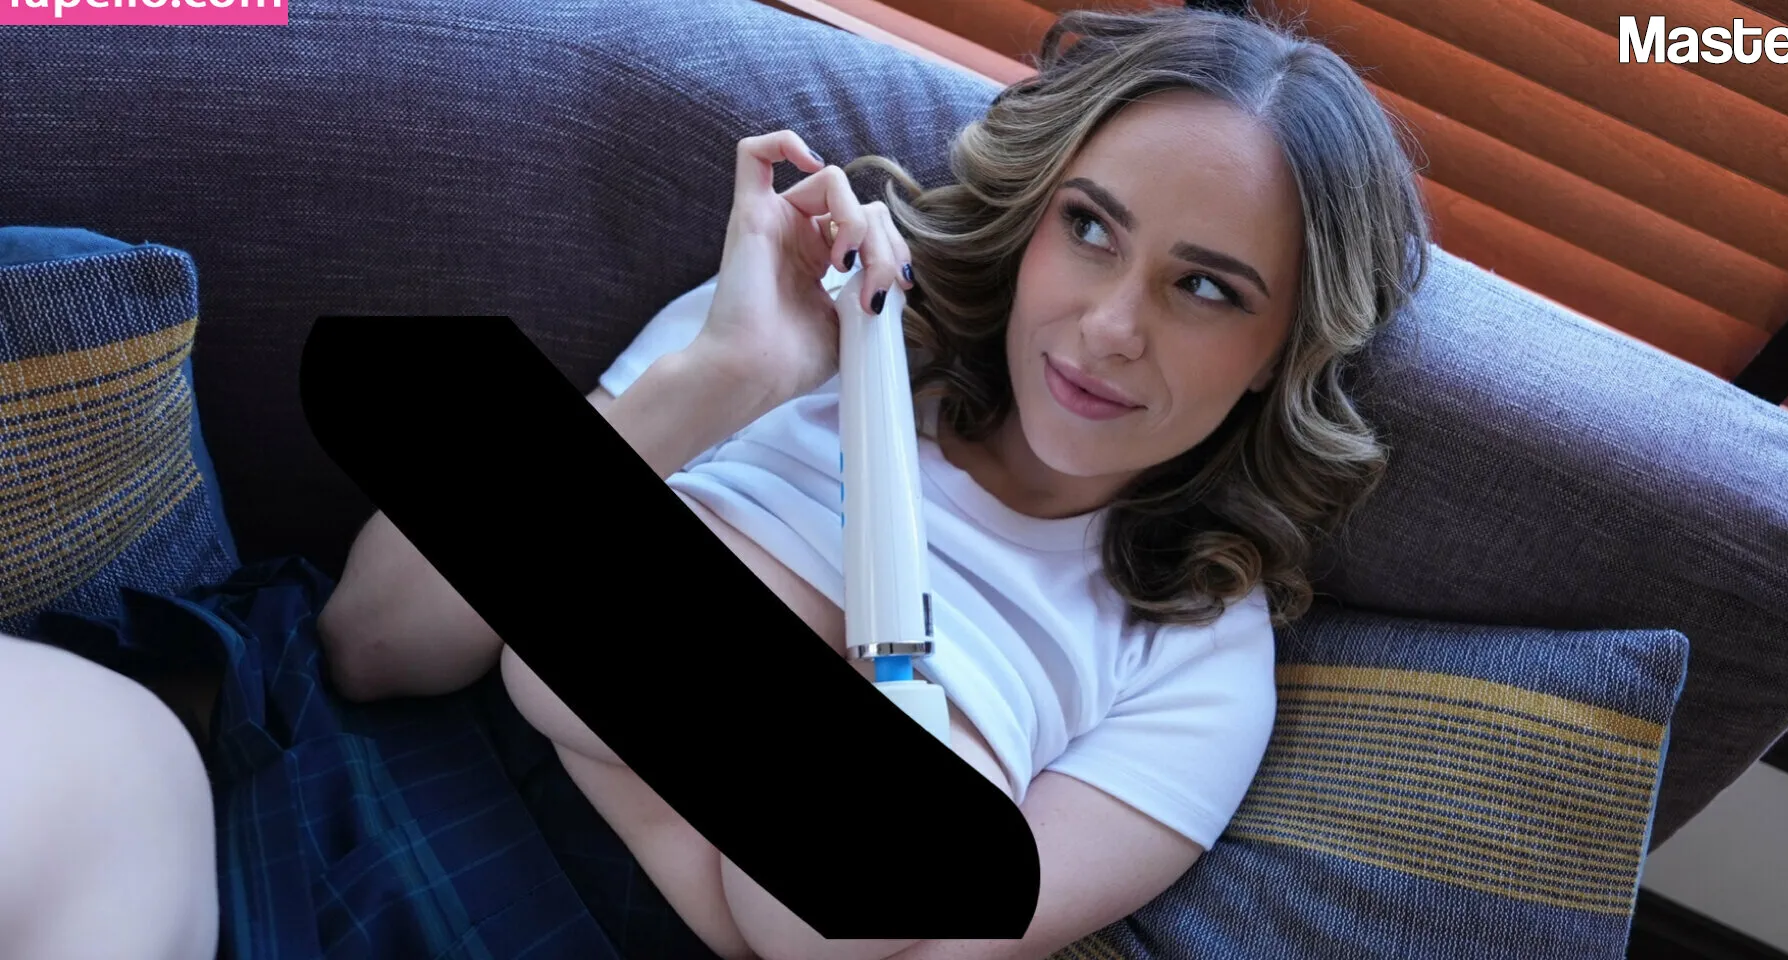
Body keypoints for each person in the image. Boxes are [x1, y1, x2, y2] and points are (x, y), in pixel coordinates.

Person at [320, 6, 1431, 960]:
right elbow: (370, 645)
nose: (1109, 329)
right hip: (361, 791)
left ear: (1284, 352)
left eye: (1208, 289)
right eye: (1091, 227)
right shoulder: (809, 326)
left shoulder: (1198, 662)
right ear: (1036, 212)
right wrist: (724, 378)